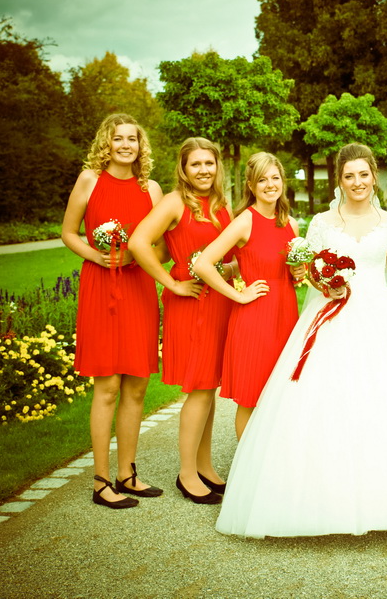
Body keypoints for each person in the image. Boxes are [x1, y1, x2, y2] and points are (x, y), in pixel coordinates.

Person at [215, 143, 387, 538]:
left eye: (363, 174)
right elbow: (310, 273)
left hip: (380, 311)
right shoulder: (320, 223)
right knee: (322, 400)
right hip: (330, 313)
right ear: (340, 180)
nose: (357, 182)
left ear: (374, 175)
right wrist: (323, 282)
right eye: (349, 176)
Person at [61, 113, 165, 509]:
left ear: (141, 146)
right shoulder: (90, 180)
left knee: (137, 385)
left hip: (138, 288)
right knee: (106, 388)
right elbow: (69, 231)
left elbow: (160, 246)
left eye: (132, 139)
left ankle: (128, 474)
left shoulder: (151, 188)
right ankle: (101, 481)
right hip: (101, 288)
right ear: (107, 142)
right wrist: (97, 255)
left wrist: (142, 258)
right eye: (118, 138)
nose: (125, 145)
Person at [129, 137, 235, 505]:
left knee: (210, 388)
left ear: (217, 167)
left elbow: (231, 253)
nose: (204, 170)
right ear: (184, 169)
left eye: (209, 163)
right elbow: (139, 242)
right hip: (192, 302)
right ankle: (186, 473)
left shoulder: (221, 205)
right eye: (196, 165)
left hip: (219, 300)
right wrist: (172, 281)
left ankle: (204, 466)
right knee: (200, 387)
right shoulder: (175, 202)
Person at [194, 152, 302, 441]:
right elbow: (203, 263)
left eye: (275, 178)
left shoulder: (291, 224)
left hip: (286, 317)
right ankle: (246, 471)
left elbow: (288, 271)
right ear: (251, 186)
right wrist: (237, 295)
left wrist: (298, 273)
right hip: (255, 320)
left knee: (280, 397)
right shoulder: (245, 221)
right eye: (262, 180)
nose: (270, 185)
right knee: (251, 398)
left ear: (283, 182)